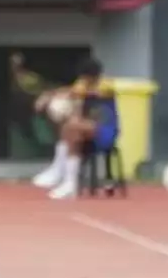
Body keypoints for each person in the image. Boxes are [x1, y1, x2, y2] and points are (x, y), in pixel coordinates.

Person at [32, 57, 115, 200]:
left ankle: (67, 180)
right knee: (70, 127)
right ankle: (62, 173)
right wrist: (48, 96)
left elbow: (79, 93)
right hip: (87, 128)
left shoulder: (105, 86)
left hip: (105, 131)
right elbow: (72, 90)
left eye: (86, 78)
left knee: (72, 126)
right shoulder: (82, 85)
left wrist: (55, 96)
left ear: (93, 76)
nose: (83, 81)